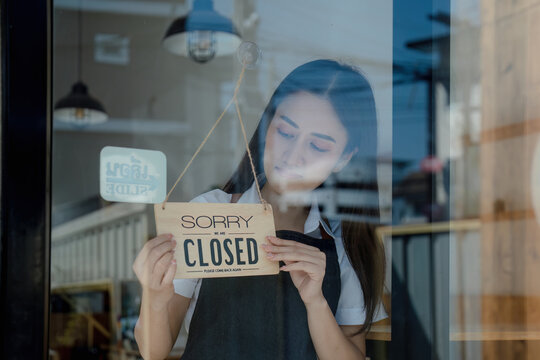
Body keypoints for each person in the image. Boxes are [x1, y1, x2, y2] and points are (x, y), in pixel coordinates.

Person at [132, 59, 387, 360]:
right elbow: (153, 352)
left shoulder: (343, 246)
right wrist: (155, 300)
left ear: (345, 158)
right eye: (286, 133)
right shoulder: (208, 214)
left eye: (317, 147)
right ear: (268, 127)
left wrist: (316, 304)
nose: (293, 156)